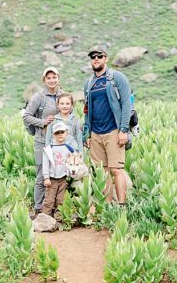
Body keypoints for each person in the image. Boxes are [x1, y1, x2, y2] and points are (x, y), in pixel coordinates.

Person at [82, 45, 133, 205]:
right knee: (101, 172)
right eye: (93, 56)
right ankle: (108, 206)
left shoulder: (117, 78)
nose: (96, 59)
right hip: (96, 133)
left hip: (114, 130)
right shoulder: (88, 84)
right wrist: (87, 133)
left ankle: (122, 205)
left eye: (99, 56)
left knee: (116, 170)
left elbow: (126, 104)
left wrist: (123, 130)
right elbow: (86, 110)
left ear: (106, 58)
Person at [22, 66, 62, 217]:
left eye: (54, 77)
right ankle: (39, 208)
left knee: (59, 174)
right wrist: (43, 122)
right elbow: (26, 116)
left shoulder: (63, 95)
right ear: (44, 80)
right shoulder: (39, 97)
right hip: (41, 140)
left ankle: (55, 207)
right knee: (41, 174)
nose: (52, 80)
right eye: (48, 78)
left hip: (58, 142)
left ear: (58, 78)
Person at [41, 121, 74, 220]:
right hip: (52, 178)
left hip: (63, 178)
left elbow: (74, 161)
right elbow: (45, 164)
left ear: (66, 133)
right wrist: (46, 177)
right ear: (53, 135)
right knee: (49, 199)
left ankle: (59, 218)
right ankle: (45, 218)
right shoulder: (49, 149)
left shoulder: (69, 149)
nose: (60, 135)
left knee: (61, 199)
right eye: (57, 133)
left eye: (62, 132)